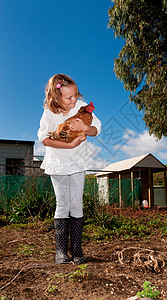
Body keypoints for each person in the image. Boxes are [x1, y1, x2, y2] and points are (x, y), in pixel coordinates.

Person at [38, 73, 101, 264]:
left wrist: (85, 127)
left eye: (75, 95)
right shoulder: (49, 113)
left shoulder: (82, 109)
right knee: (62, 204)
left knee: (76, 203)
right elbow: (44, 138)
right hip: (58, 163)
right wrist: (70, 145)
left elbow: (96, 129)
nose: (74, 100)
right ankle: (60, 252)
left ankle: (77, 251)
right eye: (69, 97)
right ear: (57, 97)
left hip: (77, 163)